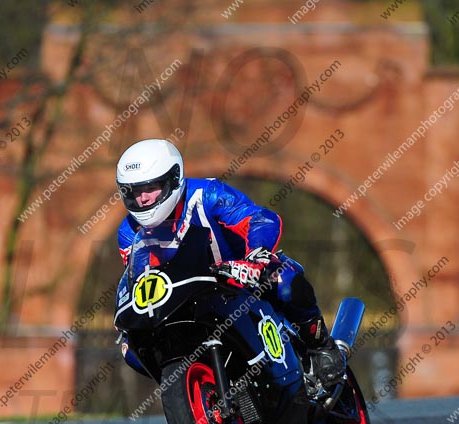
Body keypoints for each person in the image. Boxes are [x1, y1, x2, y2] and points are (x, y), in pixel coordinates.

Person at [115, 138, 345, 386]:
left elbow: (258, 219)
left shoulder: (209, 194)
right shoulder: (128, 231)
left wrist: (256, 255)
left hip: (240, 278)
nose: (143, 199)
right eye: (134, 192)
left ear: (173, 179)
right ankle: (196, 387)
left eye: (151, 188)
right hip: (184, 302)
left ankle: (322, 347)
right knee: (131, 350)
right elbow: (142, 278)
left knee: (285, 278)